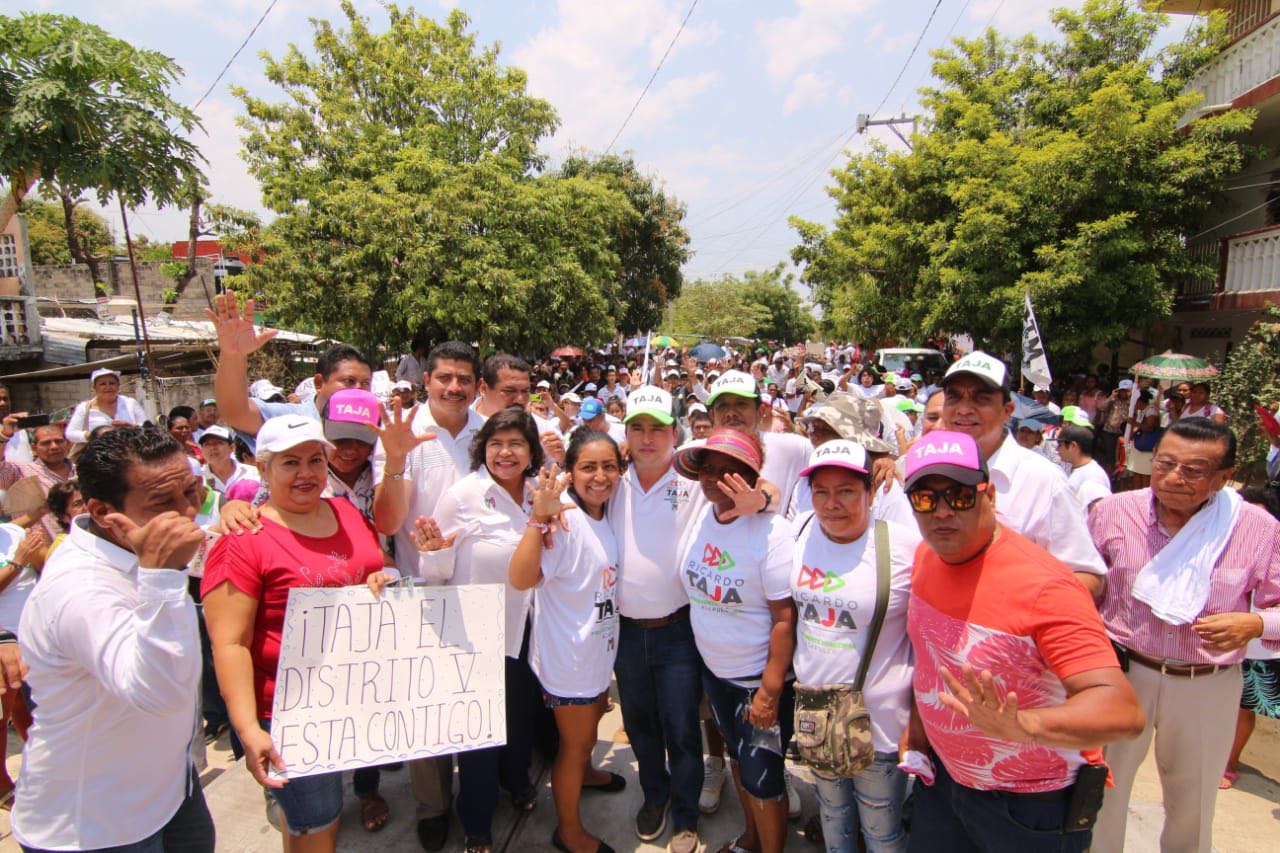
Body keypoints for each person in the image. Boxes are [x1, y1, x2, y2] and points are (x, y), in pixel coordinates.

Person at [900, 430, 1144, 853]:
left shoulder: (1045, 587)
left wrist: (1024, 726)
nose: (941, 512)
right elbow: (932, 656)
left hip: (1028, 808)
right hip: (944, 784)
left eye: (958, 496)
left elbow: (1123, 711)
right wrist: (920, 731)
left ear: (989, 495)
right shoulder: (927, 556)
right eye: (925, 498)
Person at [13, 426, 214, 853]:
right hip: (96, 826)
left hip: (170, 790)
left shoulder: (139, 549)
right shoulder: (80, 590)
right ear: (103, 512)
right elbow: (160, 692)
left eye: (191, 492)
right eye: (163, 503)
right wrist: (162, 578)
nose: (187, 513)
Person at [201, 415, 397, 853]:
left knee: (308, 823)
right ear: (262, 469)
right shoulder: (243, 539)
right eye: (290, 463)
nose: (307, 473)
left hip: (352, 695)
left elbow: (375, 565)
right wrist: (249, 728)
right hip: (289, 711)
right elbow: (229, 643)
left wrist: (380, 581)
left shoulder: (346, 511)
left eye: (314, 460)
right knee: (318, 822)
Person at [1089, 418, 1280, 853]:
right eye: (1165, 463)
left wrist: (1254, 624)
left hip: (1206, 684)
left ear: (1223, 477)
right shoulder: (1114, 511)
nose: (1174, 478)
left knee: (1193, 805)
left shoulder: (1254, 527)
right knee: (1101, 791)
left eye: (1193, 470)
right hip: (1123, 672)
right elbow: (1084, 584)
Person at [412, 408, 545, 852]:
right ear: (482, 449)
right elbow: (437, 569)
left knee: (520, 720)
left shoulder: (540, 494)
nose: (505, 453)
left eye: (516, 444)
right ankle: (477, 822)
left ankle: (518, 783)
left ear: (531, 452)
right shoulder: (464, 494)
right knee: (479, 733)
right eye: (495, 444)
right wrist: (431, 554)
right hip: (475, 631)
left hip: (528, 629)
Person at [372, 339, 483, 851]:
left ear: (477, 386)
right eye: (445, 378)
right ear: (426, 381)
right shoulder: (402, 435)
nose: (454, 387)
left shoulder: (490, 434)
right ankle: (433, 806)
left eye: (463, 379)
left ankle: (480, 799)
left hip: (483, 590)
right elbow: (389, 521)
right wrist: (395, 463)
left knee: (480, 703)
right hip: (421, 590)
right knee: (428, 707)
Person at [791, 441, 920, 853]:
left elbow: (928, 638)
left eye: (846, 490)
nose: (832, 504)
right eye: (821, 491)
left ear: (870, 491)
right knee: (833, 816)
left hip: (879, 723)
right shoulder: (799, 530)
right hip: (816, 714)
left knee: (882, 830)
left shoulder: (903, 547)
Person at [674, 428, 795, 853]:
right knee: (741, 764)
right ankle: (751, 838)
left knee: (764, 780)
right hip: (716, 674)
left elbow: (784, 618)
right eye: (707, 468)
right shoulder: (701, 515)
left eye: (728, 470)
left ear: (749, 474)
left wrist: (770, 689)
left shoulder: (770, 533)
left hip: (754, 681)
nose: (714, 478)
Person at [510, 430, 626, 853]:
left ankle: (588, 770)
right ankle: (569, 829)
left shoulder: (603, 513)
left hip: (596, 653)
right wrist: (538, 518)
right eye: (588, 467)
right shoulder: (566, 522)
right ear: (570, 472)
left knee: (590, 730)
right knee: (572, 744)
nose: (600, 476)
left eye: (609, 466)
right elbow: (522, 578)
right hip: (569, 661)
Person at [609, 387, 706, 853]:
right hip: (625, 631)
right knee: (640, 723)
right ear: (625, 433)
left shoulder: (696, 483)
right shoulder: (609, 480)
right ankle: (655, 795)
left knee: (682, 727)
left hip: (678, 631)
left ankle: (686, 815)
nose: (648, 439)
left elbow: (757, 490)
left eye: (658, 429)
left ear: (675, 432)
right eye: (638, 428)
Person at [938, 352, 1107, 598]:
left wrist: (1021, 610)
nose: (963, 410)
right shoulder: (927, 468)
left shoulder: (1043, 480)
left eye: (980, 398)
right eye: (954, 397)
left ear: (1007, 410)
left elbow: (1088, 577)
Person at [209, 292, 375, 451]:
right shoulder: (290, 419)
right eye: (348, 381)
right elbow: (236, 412)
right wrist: (233, 356)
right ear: (319, 382)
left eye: (366, 383)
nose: (358, 389)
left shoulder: (378, 422)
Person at [1221, 486, 1280, 790]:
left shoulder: (1275, 544)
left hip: (1263, 645)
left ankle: (1229, 763)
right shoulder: (1221, 541)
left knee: (1244, 706)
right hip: (1225, 643)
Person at [0, 523, 44, 804]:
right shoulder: (17, 546)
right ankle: (2, 786)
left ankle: (43, 771)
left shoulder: (12, 532)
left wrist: (38, 555)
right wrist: (18, 560)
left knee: (32, 709)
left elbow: (42, 570)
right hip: (3, 641)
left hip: (34, 635)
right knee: (1, 718)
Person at [0, 424, 77, 541]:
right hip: (38, 552)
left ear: (68, 444)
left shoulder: (82, 471)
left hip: (83, 549)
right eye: (46, 443)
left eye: (59, 441)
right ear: (34, 448)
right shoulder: (21, 471)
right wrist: (4, 435)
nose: (54, 446)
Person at [64, 368, 149, 445]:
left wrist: (130, 426)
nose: (108, 387)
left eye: (112, 383)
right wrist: (94, 435)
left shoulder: (130, 403)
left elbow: (148, 428)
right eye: (102, 384)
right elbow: (70, 434)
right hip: (98, 456)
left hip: (130, 453)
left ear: (118, 386)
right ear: (94, 388)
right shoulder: (84, 408)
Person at [1056, 424, 1111, 513]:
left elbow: (1100, 515)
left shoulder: (1094, 476)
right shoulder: (1079, 469)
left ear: (1073, 446)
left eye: (1060, 445)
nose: (1057, 449)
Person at [199, 425, 261, 495]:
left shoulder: (253, 473)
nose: (213, 447)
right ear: (201, 450)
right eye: (207, 444)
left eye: (219, 443)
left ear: (232, 447)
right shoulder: (199, 478)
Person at [1125, 388, 1160, 490]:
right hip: (1138, 446)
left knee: (1145, 474)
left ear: (1139, 401)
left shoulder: (1151, 410)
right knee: (1137, 472)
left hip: (1147, 448)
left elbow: (1150, 427)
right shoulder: (1142, 411)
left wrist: (1133, 423)